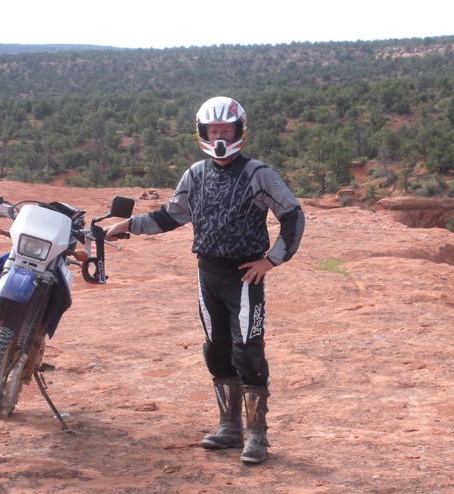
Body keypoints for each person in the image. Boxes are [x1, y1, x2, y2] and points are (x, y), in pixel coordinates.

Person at [106, 96, 305, 464]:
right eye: (212, 130)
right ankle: (229, 427)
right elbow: (171, 215)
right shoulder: (195, 174)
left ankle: (257, 436)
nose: (218, 136)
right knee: (216, 348)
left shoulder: (259, 174)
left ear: (238, 131)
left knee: (247, 349)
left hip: (244, 275)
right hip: (207, 272)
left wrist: (271, 261)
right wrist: (129, 225)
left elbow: (292, 215)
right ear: (202, 133)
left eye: (224, 130)